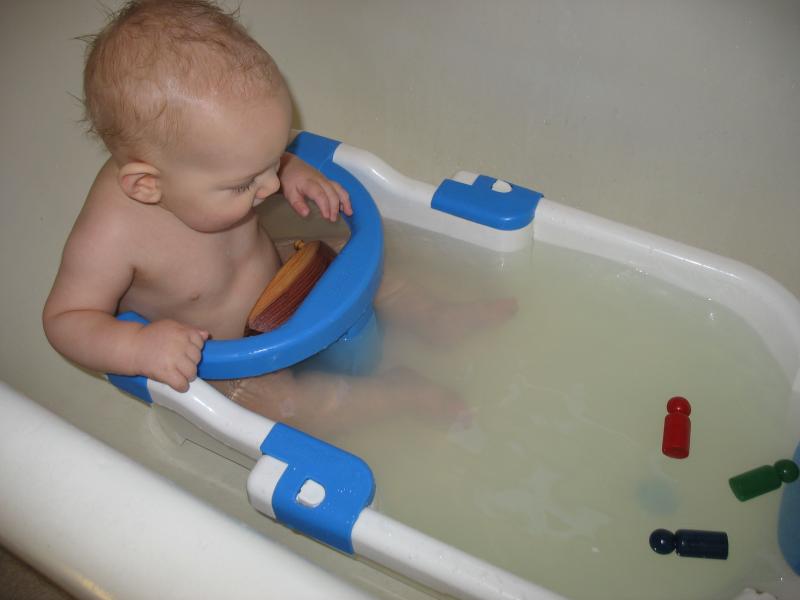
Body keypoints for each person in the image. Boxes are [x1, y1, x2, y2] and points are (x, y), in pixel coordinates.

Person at [43, 0, 516, 438]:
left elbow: (257, 163)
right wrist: (138, 346)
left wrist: (292, 168)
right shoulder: (113, 233)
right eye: (246, 182)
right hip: (231, 359)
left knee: (353, 256)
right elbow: (66, 320)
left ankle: (432, 316)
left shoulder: (210, 164)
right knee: (288, 409)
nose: (269, 187)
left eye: (273, 161)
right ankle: (399, 393)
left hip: (284, 276)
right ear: (147, 185)